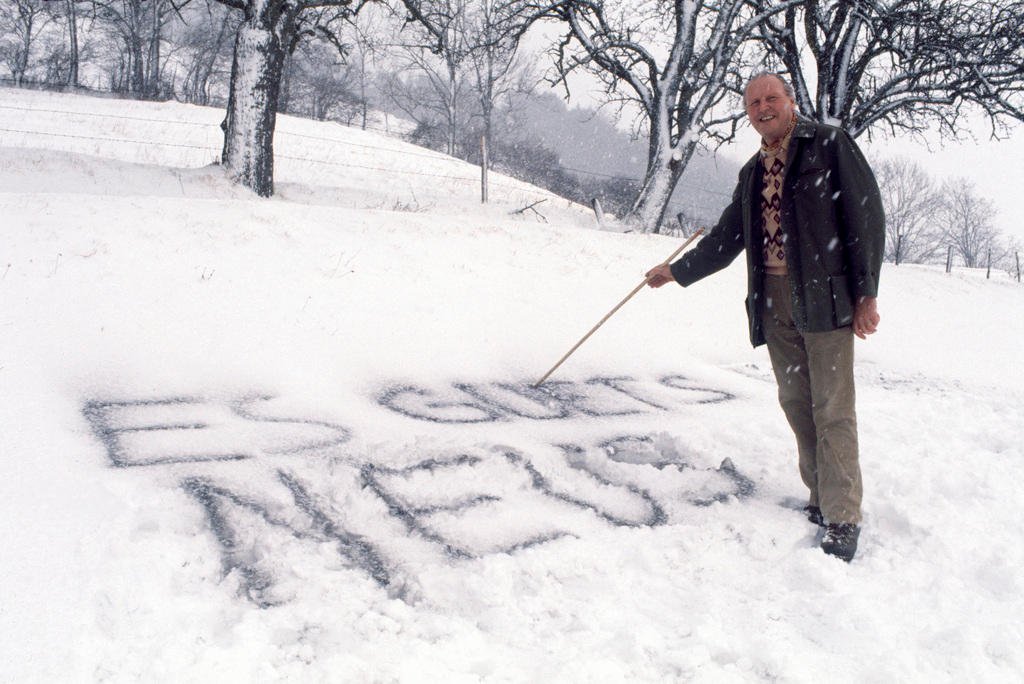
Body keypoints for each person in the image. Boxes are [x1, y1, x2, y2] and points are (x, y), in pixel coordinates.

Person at [645, 72, 884, 562]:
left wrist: (866, 294)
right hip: (774, 299)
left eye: (771, 97)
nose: (763, 107)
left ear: (790, 102)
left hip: (826, 296)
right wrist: (677, 270)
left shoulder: (828, 144)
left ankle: (843, 517)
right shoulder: (753, 171)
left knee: (832, 408)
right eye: (754, 102)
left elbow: (866, 217)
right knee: (798, 403)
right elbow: (729, 237)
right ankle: (820, 498)